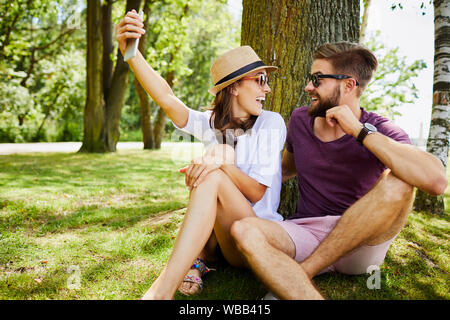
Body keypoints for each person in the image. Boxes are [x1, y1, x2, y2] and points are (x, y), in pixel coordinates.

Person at [229, 42, 448, 300]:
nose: (308, 87)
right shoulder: (300, 120)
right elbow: (284, 169)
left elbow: (436, 181)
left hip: (360, 244)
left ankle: (303, 272)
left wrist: (358, 131)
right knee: (244, 230)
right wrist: (229, 174)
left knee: (400, 180)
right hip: (305, 233)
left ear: (348, 85)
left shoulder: (381, 128)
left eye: (317, 79)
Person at [115, 10, 286, 299]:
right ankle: (180, 275)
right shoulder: (211, 124)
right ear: (234, 87)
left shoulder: (271, 123)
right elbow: (167, 98)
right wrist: (131, 54)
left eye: (265, 80)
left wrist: (221, 161)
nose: (266, 89)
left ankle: (160, 292)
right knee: (211, 175)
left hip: (261, 239)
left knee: (213, 174)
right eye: (259, 80)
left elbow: (257, 193)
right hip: (229, 246)